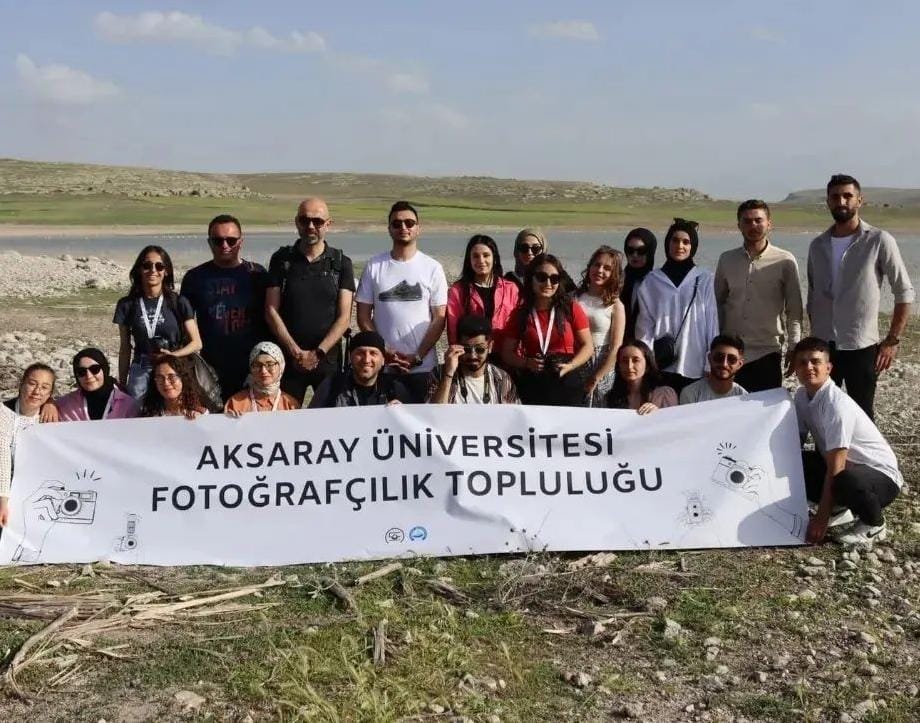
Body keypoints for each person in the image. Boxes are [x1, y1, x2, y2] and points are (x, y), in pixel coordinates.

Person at [807, 174, 914, 420]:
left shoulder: (878, 240)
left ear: (859, 200)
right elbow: (813, 294)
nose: (841, 201)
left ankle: (865, 459)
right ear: (828, 202)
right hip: (823, 346)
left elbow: (904, 292)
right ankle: (826, 459)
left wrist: (892, 341)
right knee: (822, 412)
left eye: (847, 196)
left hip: (861, 346)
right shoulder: (817, 245)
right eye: (835, 197)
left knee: (862, 415)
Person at [793, 337, 902, 548]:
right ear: (795, 369)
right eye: (802, 362)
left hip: (880, 476)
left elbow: (837, 465)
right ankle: (840, 509)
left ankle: (874, 523)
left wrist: (820, 519)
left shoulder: (836, 404)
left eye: (815, 361)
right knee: (795, 461)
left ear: (828, 367)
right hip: (847, 469)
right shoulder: (801, 396)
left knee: (844, 479)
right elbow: (794, 441)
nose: (809, 367)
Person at [265, 198, 356, 405]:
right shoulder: (281, 260)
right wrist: (295, 352)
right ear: (297, 222)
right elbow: (271, 310)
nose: (311, 226)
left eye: (317, 221)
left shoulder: (341, 263)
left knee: (330, 419)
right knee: (283, 418)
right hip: (287, 360)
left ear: (328, 224)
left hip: (327, 360)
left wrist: (318, 353)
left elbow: (344, 317)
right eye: (305, 220)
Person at [356, 201, 448, 403]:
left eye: (409, 223)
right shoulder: (374, 266)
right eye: (397, 224)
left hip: (424, 368)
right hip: (384, 367)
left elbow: (439, 317)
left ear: (418, 228)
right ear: (389, 229)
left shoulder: (432, 268)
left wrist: (418, 356)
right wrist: (385, 351)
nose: (403, 228)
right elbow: (363, 316)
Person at [715, 200, 803, 392]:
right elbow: (717, 304)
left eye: (758, 220)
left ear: (769, 224)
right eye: (747, 221)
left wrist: (794, 346)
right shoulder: (726, 260)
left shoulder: (785, 261)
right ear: (739, 225)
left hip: (767, 352)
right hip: (730, 353)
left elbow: (794, 310)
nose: (753, 226)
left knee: (763, 413)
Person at [180, 214, 269, 400]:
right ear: (209, 242)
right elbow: (184, 325)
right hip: (210, 368)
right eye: (218, 240)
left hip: (252, 367)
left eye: (231, 240)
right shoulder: (195, 278)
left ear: (241, 241)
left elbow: (270, 318)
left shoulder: (257, 274)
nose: (225, 245)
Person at [635, 218, 719, 395]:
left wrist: (710, 361)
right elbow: (645, 326)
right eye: (675, 240)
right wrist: (646, 361)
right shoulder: (652, 281)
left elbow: (712, 323)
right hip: (662, 364)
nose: (679, 246)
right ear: (667, 243)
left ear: (692, 246)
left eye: (686, 242)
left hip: (695, 364)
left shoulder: (704, 279)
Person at [500, 254, 594, 405]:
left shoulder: (571, 308)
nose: (548, 283)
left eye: (554, 278)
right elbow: (507, 353)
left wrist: (571, 365)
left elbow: (588, 346)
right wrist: (526, 363)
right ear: (531, 278)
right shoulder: (521, 313)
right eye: (541, 277)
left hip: (567, 378)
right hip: (534, 381)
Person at [114, 245, 202, 402]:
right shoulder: (126, 305)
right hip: (142, 367)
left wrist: (174, 354)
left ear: (166, 271)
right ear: (139, 269)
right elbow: (125, 348)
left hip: (174, 365)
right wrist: (122, 382)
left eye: (159, 266)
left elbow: (197, 343)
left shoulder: (179, 302)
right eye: (147, 266)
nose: (153, 270)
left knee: (177, 411)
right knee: (137, 413)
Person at [1, 364, 58, 528]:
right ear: (22, 384)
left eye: (44, 387)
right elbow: (2, 458)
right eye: (32, 383)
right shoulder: (4, 412)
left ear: (50, 393)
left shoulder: (50, 416)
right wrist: (3, 502)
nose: (37, 391)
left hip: (33, 491)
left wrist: (52, 404)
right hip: (5, 488)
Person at [446, 235, 519, 359]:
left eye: (486, 255)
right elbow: (453, 329)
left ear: (494, 258)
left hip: (505, 356)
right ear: (469, 260)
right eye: (475, 256)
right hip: (473, 356)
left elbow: (518, 325)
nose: (481, 260)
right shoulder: (458, 290)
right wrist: (457, 357)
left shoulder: (511, 288)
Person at [427, 315, 520, 404]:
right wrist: (448, 375)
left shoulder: (501, 378)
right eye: (467, 349)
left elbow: (513, 415)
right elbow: (434, 414)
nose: (473, 356)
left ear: (490, 347)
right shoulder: (439, 374)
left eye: (480, 349)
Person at [575, 246, 626, 406]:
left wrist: (598, 376)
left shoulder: (615, 305)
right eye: (597, 265)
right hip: (575, 362)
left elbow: (616, 346)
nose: (600, 270)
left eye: (607, 268)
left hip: (601, 363)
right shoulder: (574, 298)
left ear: (614, 274)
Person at [309, 331, 412, 407]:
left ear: (383, 360)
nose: (366, 360)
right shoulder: (332, 386)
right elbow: (311, 419)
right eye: (360, 353)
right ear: (350, 357)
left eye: (373, 353)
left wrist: (403, 413)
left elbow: (414, 426)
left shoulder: (395, 389)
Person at [56, 349, 139, 421]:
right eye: (81, 372)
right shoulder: (67, 404)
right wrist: (49, 404)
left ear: (105, 370)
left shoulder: (126, 404)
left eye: (94, 369)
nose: (89, 376)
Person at [224, 342, 301, 415]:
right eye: (257, 365)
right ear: (251, 369)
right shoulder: (235, 403)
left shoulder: (290, 405)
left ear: (280, 366)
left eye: (270, 364)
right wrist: (228, 420)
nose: (263, 371)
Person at [607, 339, 677, 414]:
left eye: (636, 360)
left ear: (647, 365)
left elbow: (673, 422)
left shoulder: (664, 394)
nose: (629, 366)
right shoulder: (610, 397)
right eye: (624, 361)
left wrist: (658, 413)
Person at [679, 335, 747, 404]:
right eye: (719, 357)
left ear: (740, 364)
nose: (724, 364)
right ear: (709, 358)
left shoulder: (744, 396)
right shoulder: (690, 393)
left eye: (732, 359)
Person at [620, 228, 658, 340]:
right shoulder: (617, 280)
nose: (635, 255)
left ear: (650, 252)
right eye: (630, 250)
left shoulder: (657, 283)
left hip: (647, 345)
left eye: (641, 251)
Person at [142, 357, 209, 418]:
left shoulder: (200, 412)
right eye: (160, 378)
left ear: (182, 378)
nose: (166, 383)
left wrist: (200, 419)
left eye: (172, 377)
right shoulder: (149, 415)